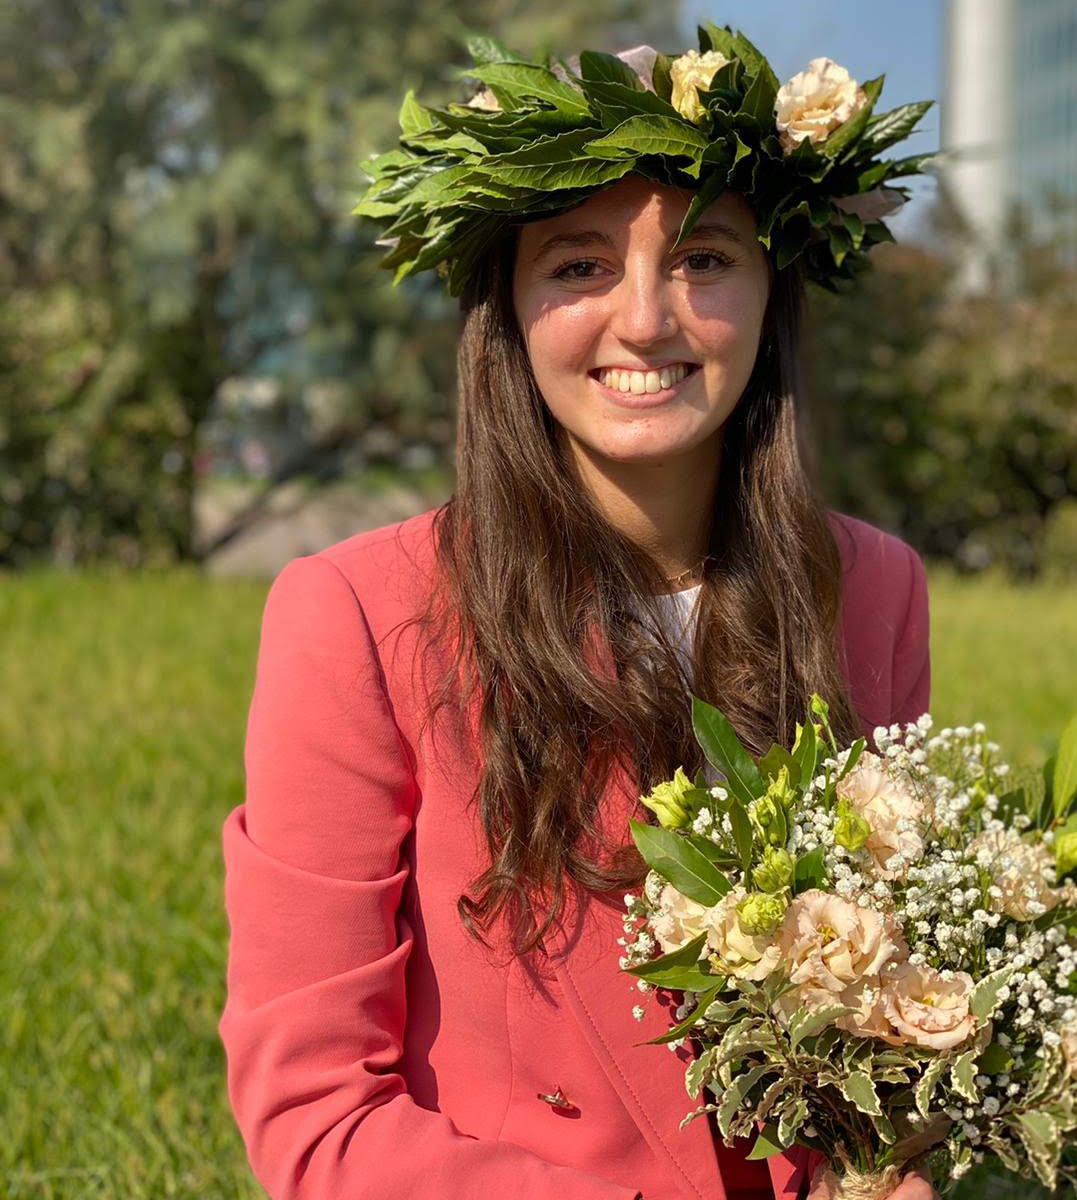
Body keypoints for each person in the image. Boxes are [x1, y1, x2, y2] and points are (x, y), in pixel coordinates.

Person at [219, 27, 938, 1200]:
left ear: (775, 293)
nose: (647, 320)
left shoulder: (873, 588)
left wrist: (894, 1163)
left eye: (705, 258)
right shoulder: (353, 614)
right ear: (507, 304)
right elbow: (314, 1121)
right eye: (578, 265)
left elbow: (886, 1020)